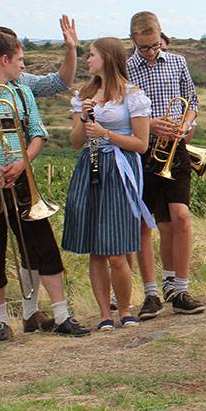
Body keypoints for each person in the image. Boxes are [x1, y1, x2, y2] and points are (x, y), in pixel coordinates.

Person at [0, 32, 88, 340]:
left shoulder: (22, 92)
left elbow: (38, 133)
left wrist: (22, 163)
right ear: (4, 60)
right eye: (20, 60)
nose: (23, 66)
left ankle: (61, 314)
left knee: (43, 244)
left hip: (21, 176)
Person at [62, 38, 154, 332]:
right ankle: (104, 313)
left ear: (108, 58)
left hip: (120, 169)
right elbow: (76, 142)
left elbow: (141, 145)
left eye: (91, 55)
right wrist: (85, 117)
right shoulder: (84, 94)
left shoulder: (132, 95)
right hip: (90, 168)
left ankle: (125, 309)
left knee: (116, 250)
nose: (87, 60)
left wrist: (106, 134)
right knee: (96, 250)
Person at [126, 13, 204, 316]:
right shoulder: (124, 67)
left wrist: (185, 123)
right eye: (144, 47)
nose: (151, 52)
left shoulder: (177, 62)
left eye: (155, 45)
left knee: (180, 217)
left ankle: (180, 288)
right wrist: (149, 125)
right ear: (133, 39)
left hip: (176, 148)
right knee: (146, 225)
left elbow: (192, 102)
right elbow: (119, 110)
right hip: (141, 151)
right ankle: (151, 293)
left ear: (161, 37)